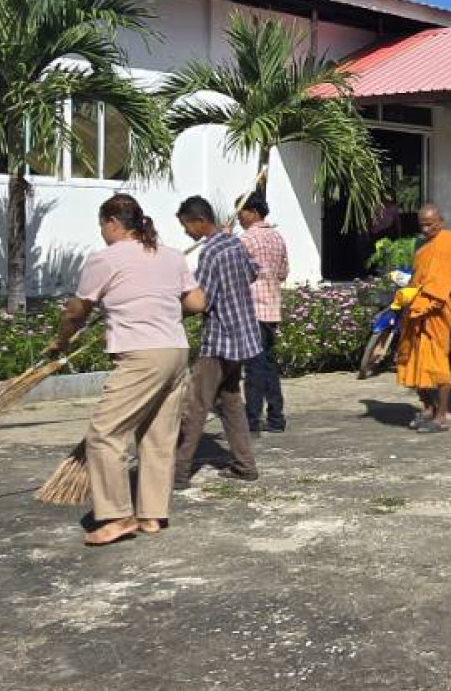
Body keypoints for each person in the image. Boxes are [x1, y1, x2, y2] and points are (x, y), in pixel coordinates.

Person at [45, 194, 200, 546]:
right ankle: (151, 516)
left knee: (104, 433)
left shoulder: (105, 258)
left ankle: (116, 517)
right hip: (175, 351)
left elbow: (76, 311)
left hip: (142, 354)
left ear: (113, 223)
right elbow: (196, 302)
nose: (101, 232)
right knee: (158, 437)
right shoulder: (172, 256)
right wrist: (161, 310)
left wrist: (62, 342)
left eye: (102, 226)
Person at [171, 195, 262, 484]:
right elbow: (252, 273)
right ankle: (244, 464)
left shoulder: (211, 251)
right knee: (230, 401)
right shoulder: (234, 243)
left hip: (221, 338)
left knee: (195, 405)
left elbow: (201, 301)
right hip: (244, 336)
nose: (186, 232)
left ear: (199, 221)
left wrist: (170, 313)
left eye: (187, 226)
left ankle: (178, 470)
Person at [398, 203, 451, 432]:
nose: (426, 229)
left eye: (431, 224)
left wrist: (445, 291)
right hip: (417, 310)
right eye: (423, 225)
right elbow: (418, 279)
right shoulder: (421, 249)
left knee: (438, 364)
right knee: (412, 360)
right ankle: (428, 406)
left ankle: (441, 417)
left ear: (441, 222)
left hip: (438, 312)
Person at [237, 194, 289, 433]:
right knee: (268, 363)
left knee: (254, 367)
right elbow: (283, 272)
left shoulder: (245, 239)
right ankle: (276, 417)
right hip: (271, 307)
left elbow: (238, 273)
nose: (239, 216)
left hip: (252, 308)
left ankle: (252, 419)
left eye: (242, 210)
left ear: (254, 212)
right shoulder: (278, 237)